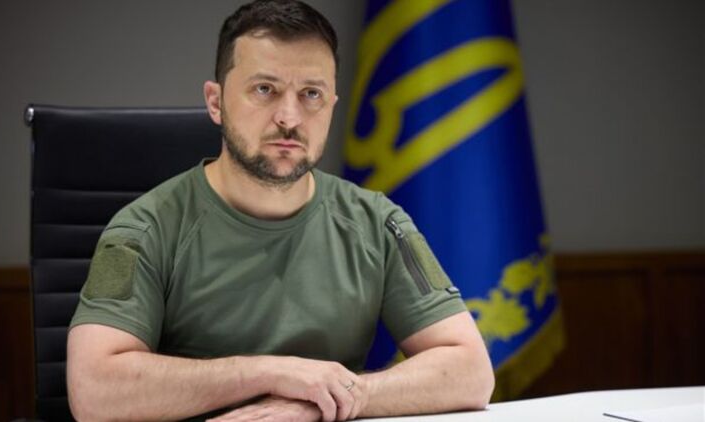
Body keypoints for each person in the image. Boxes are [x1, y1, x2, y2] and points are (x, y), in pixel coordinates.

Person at [66, 0, 494, 420]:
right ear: (215, 102)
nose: (289, 118)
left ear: (332, 106)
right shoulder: (142, 229)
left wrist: (330, 399)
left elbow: (471, 371)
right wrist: (272, 374)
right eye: (264, 89)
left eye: (311, 94)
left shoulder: (377, 222)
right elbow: (94, 390)